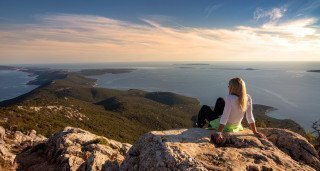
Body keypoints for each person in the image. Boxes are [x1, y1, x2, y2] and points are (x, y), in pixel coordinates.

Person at [197, 77, 265, 144]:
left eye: (229, 85)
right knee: (220, 100)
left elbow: (225, 117)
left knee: (204, 108)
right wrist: (255, 132)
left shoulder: (230, 98)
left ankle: (199, 126)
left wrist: (219, 132)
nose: (228, 87)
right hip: (236, 125)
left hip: (227, 126)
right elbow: (249, 116)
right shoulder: (248, 98)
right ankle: (209, 122)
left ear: (233, 88)